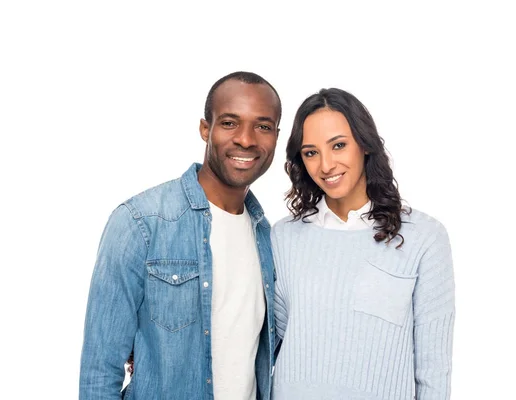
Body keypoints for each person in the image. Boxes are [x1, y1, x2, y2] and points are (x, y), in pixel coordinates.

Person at [79, 71, 281, 400]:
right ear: (206, 129)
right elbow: (99, 371)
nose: (246, 139)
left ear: (276, 136)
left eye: (263, 126)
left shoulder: (270, 240)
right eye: (230, 122)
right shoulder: (140, 223)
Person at [271, 88, 455, 399]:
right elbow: (274, 344)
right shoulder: (283, 236)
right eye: (311, 152)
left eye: (338, 146)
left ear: (364, 146)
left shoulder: (424, 237)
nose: (326, 165)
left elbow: (433, 369)